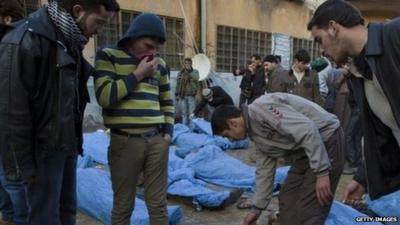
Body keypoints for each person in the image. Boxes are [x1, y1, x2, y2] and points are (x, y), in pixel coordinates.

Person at [0, 0, 120, 225]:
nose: (100, 30)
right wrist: (24, 166)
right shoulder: (25, 41)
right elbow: (11, 114)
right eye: (100, 22)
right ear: (78, 11)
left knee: (66, 212)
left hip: (66, 145)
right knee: (44, 217)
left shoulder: (69, 40)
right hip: (40, 153)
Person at [308, 0, 400, 202]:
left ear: (333, 28)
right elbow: (384, 138)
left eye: (319, 40)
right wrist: (363, 178)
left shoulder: (394, 34)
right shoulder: (359, 76)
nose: (321, 51)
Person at [211, 93, 344, 225]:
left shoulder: (262, 109)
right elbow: (264, 172)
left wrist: (322, 172)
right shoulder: (256, 135)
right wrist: (256, 209)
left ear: (232, 123)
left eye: (227, 135)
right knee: (287, 197)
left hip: (327, 140)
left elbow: (307, 130)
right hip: (305, 152)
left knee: (309, 208)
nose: (231, 140)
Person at [94, 13, 174, 225]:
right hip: (125, 141)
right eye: (148, 45)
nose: (153, 52)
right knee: (123, 204)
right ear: (133, 37)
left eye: (156, 48)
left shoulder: (160, 65)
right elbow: (104, 97)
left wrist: (168, 134)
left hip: (157, 141)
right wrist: (137, 74)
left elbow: (166, 101)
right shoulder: (107, 56)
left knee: (158, 204)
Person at [0, 2, 29, 225]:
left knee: (13, 181)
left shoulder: (18, 44)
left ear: (6, 19)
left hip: (11, 127)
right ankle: (9, 217)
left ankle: (21, 220)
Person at [175, 58, 199, 126]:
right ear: (184, 64)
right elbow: (178, 84)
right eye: (186, 63)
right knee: (184, 114)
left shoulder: (195, 72)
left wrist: (189, 72)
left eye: (189, 63)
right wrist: (176, 94)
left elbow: (196, 78)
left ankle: (192, 129)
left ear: (191, 64)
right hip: (182, 95)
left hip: (191, 95)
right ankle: (184, 128)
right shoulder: (180, 73)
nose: (187, 64)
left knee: (191, 113)